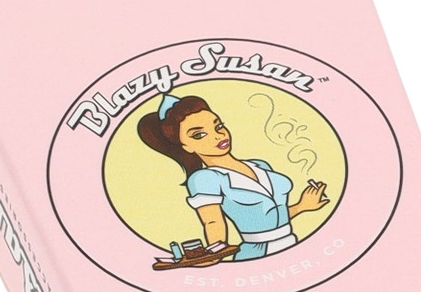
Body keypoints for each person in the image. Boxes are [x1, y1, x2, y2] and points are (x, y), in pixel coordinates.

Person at [137, 93, 329, 260]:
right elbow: (212, 222)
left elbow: (270, 217)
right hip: (258, 254)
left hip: (291, 245)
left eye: (218, 126)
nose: (217, 136)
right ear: (186, 146)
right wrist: (214, 254)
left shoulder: (260, 165)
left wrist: (302, 206)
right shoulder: (205, 179)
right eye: (199, 135)